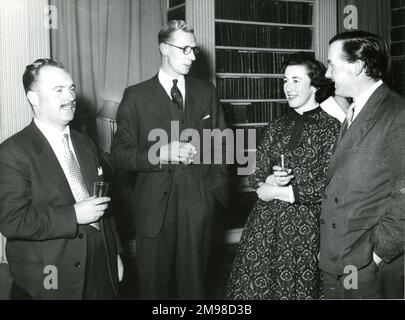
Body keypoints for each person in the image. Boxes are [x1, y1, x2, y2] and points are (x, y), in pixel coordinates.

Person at [110, 20, 228, 299]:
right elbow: (119, 154)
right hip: (153, 210)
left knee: (195, 288)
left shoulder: (206, 91)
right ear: (164, 48)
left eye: (194, 50)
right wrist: (159, 154)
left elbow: (223, 144)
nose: (192, 56)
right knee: (154, 288)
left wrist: (212, 194)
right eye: (184, 49)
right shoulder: (135, 96)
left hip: (197, 205)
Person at [0, 59, 123, 299]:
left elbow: (104, 204)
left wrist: (114, 252)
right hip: (50, 279)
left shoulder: (86, 143)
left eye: (71, 89)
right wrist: (74, 215)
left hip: (100, 271)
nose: (70, 96)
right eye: (58, 90)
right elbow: (12, 221)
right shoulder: (12, 152)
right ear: (34, 98)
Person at [226, 53, 340, 300]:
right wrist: (268, 181)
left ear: (315, 86)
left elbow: (329, 186)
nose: (287, 87)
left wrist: (279, 191)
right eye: (285, 80)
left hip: (306, 230)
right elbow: (255, 175)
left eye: (296, 81)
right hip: (265, 229)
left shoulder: (331, 128)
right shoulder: (276, 125)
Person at [320, 31, 405, 299]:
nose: (327, 74)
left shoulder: (396, 113)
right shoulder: (358, 109)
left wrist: (376, 254)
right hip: (342, 255)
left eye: (332, 65)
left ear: (357, 67)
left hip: (366, 264)